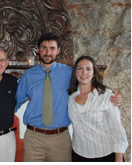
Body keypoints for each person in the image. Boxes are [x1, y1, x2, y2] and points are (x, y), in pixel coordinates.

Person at [14, 32, 122, 162]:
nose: (48, 52)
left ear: (58, 50)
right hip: (33, 138)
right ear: (38, 50)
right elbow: (15, 102)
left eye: (52, 48)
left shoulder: (70, 73)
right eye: (44, 48)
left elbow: (90, 84)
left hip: (60, 138)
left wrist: (113, 94)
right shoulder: (28, 76)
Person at [68, 55, 128, 162]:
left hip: (105, 155)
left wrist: (118, 159)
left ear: (94, 73)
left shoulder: (107, 96)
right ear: (75, 73)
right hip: (78, 155)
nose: (84, 73)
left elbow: (117, 130)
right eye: (80, 68)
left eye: (88, 69)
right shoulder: (70, 98)